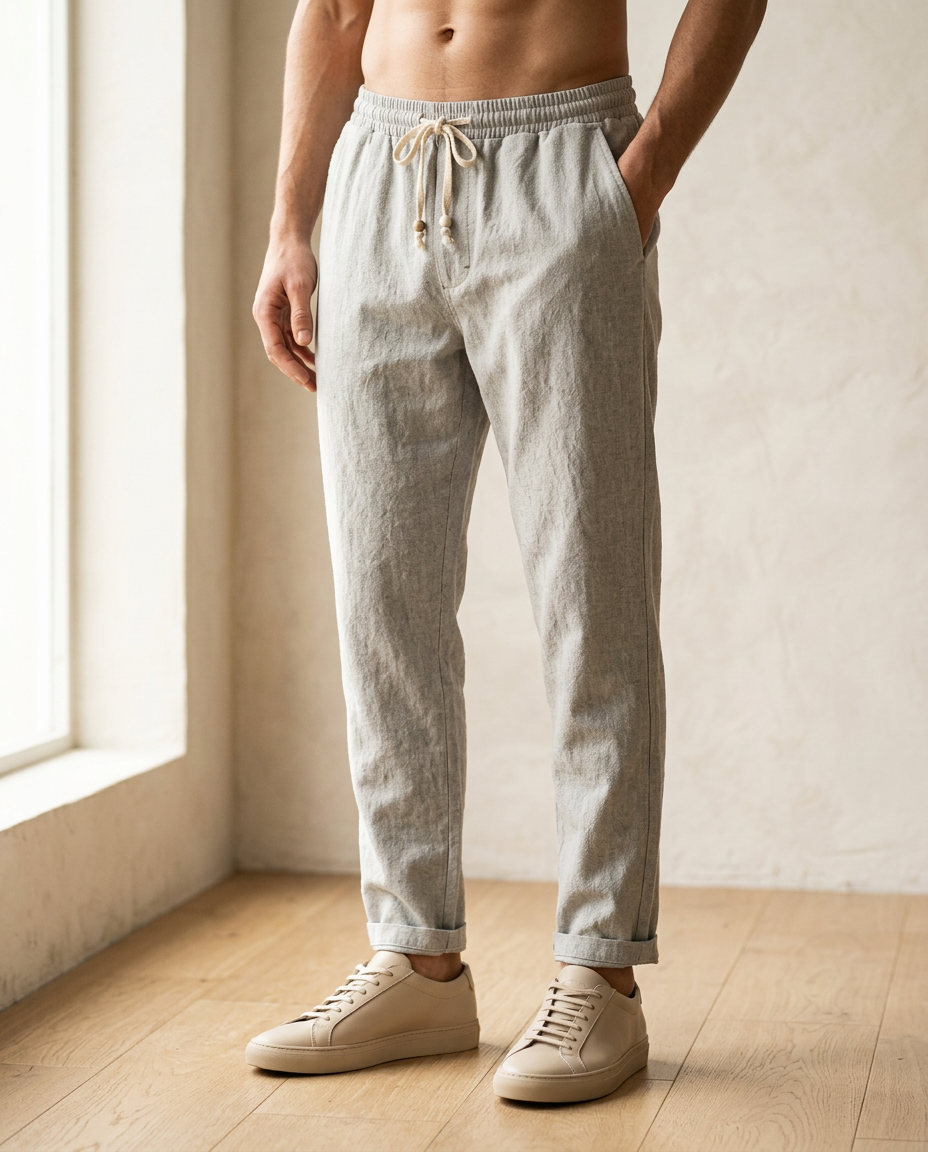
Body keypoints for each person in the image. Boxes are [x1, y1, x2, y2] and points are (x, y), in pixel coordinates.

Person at [245, 0, 765, 1104]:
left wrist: (643, 170)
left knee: (592, 597)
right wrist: (292, 218)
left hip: (561, 168)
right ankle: (416, 955)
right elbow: (333, 9)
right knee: (380, 603)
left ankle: (599, 971)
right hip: (376, 176)